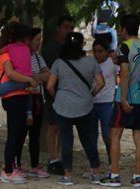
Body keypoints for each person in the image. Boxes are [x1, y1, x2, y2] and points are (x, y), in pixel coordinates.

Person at [101, 14, 140, 189]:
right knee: (139, 137)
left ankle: (114, 175)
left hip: (125, 98)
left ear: (124, 29)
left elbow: (124, 72)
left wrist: (123, 98)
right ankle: (137, 177)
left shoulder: (125, 47)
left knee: (115, 134)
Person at [47, 32, 105, 185]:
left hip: (63, 106)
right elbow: (101, 83)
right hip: (85, 106)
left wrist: (57, 96)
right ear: (82, 44)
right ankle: (96, 172)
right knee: (88, 140)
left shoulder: (59, 63)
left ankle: (68, 175)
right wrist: (89, 95)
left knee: (66, 140)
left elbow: (49, 86)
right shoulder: (91, 62)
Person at [0, 22, 37, 183]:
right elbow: (11, 73)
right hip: (12, 96)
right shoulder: (6, 55)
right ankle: (7, 170)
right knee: (13, 134)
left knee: (19, 133)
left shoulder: (12, 51)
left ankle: (12, 166)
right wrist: (29, 79)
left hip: (20, 94)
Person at [42, 14, 76, 175]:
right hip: (54, 92)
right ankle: (53, 159)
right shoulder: (51, 49)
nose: (68, 31)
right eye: (65, 27)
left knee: (65, 127)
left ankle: (61, 158)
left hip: (69, 92)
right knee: (54, 125)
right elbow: (48, 73)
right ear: (58, 28)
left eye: (71, 28)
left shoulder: (71, 48)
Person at [18, 27, 52, 179]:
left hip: (38, 98)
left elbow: (48, 74)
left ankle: (34, 164)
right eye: (37, 40)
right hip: (25, 99)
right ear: (28, 41)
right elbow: (24, 76)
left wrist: (34, 77)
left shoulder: (38, 57)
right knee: (20, 133)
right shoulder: (22, 57)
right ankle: (16, 164)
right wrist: (35, 77)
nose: (39, 43)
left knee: (35, 134)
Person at [0, 23, 38, 124]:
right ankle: (29, 113)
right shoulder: (27, 49)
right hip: (28, 81)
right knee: (29, 93)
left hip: (16, 83)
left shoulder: (9, 48)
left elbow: (10, 73)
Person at [91, 36, 118, 170]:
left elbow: (124, 72)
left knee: (108, 135)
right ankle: (94, 164)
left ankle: (112, 162)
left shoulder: (112, 64)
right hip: (91, 103)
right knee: (92, 136)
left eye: (100, 51)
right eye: (95, 51)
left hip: (107, 103)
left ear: (107, 51)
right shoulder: (90, 63)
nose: (97, 54)